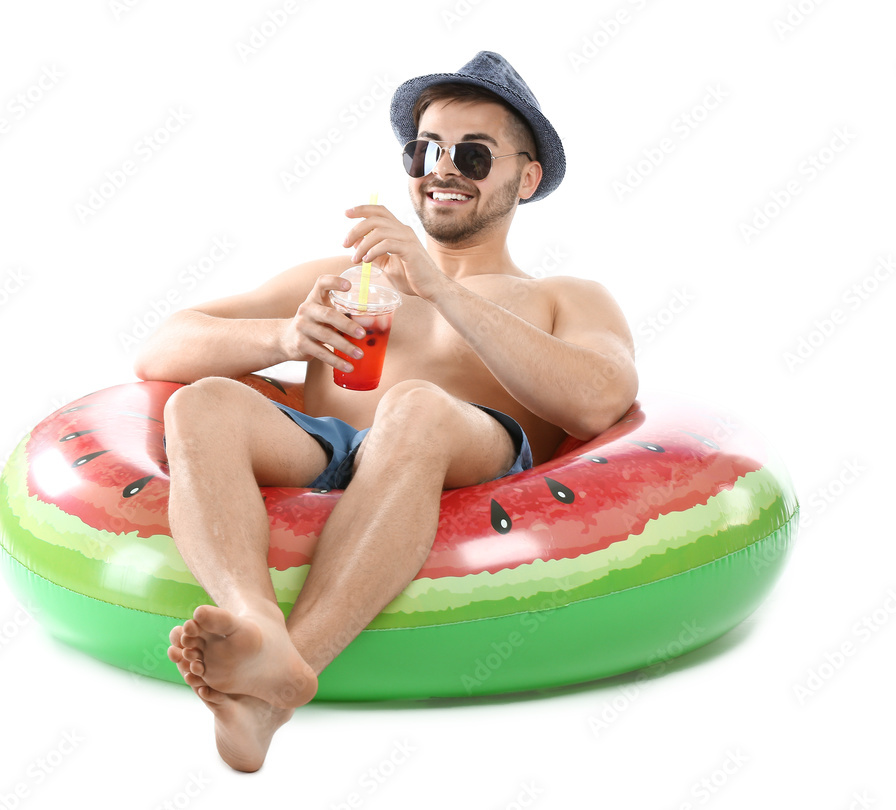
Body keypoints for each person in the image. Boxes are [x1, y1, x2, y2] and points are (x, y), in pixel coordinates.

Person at [135, 51, 637, 772]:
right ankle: (257, 631)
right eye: (424, 149)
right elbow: (161, 348)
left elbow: (599, 400)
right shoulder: (344, 278)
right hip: (334, 447)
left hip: (471, 453)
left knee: (416, 408)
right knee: (204, 402)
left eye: (472, 153)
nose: (442, 168)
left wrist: (441, 289)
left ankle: (282, 683)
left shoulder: (564, 296)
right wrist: (280, 337)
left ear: (526, 178)